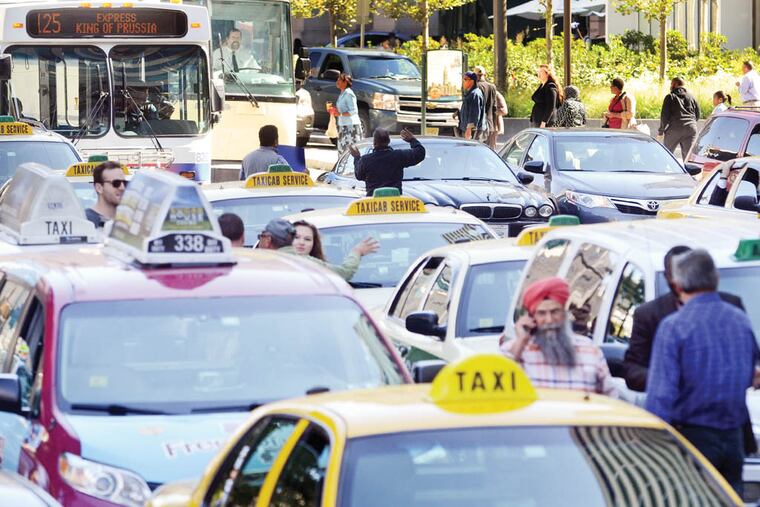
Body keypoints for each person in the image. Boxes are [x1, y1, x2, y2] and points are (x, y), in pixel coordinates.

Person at [646, 249, 758, 495]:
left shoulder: (674, 326)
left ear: (678, 284)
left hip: (692, 438)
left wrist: (652, 446)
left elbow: (660, 396)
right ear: (715, 278)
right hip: (732, 438)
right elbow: (752, 373)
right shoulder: (739, 319)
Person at [500, 277, 617, 396]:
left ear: (564, 313)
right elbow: (498, 395)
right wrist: (521, 342)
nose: (549, 320)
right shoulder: (512, 350)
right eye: (541, 313)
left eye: (555, 311)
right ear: (532, 317)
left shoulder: (590, 350)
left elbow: (611, 400)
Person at [289, 220, 379, 281]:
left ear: (314, 244)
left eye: (307, 239)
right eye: (296, 237)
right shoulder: (308, 262)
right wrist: (357, 252)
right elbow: (345, 273)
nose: (301, 242)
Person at [350, 128, 426, 196]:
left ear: (374, 142)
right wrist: (412, 140)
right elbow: (420, 153)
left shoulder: (365, 160)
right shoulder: (398, 156)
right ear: (389, 141)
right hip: (395, 203)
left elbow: (359, 175)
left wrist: (357, 157)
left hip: (373, 205)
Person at [657, 77, 701, 157]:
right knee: (689, 157)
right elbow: (698, 114)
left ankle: (664, 169)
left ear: (675, 84)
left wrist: (661, 131)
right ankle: (688, 169)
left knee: (667, 155)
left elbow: (664, 116)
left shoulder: (670, 97)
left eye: (671, 84)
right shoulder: (691, 97)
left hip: (674, 129)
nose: (670, 86)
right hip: (691, 129)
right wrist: (690, 123)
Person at [328, 73, 363, 154]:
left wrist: (339, 114)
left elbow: (353, 111)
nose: (337, 81)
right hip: (343, 126)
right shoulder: (342, 94)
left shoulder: (349, 94)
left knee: (350, 152)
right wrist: (334, 111)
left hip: (351, 127)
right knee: (342, 151)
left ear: (345, 82)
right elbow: (342, 109)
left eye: (339, 79)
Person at [86, 161, 127, 228]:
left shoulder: (126, 222)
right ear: (99, 188)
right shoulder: (85, 220)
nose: (122, 188)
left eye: (125, 183)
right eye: (116, 183)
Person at [456, 71, 487, 140]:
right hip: (469, 129)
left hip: (473, 131)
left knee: (472, 149)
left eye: (465, 79)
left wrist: (469, 129)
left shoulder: (475, 94)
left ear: (472, 81)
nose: (463, 81)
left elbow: (475, 113)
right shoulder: (470, 93)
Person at [474, 65, 499, 149]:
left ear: (475, 75)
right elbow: (495, 107)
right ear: (485, 75)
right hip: (490, 123)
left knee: (476, 148)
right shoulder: (492, 87)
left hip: (478, 124)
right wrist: (495, 125)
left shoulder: (475, 87)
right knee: (487, 149)